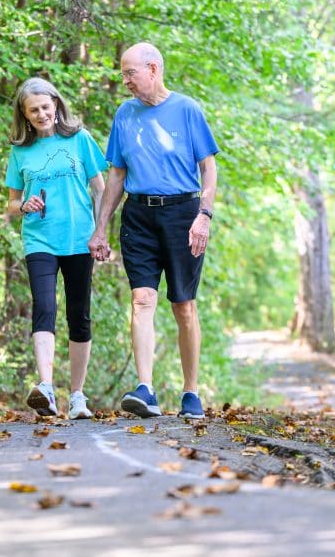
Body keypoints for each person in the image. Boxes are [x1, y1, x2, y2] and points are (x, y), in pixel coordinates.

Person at [88, 42, 219, 419]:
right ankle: (146, 389)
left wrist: (204, 215)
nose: (125, 80)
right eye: (124, 73)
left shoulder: (187, 109)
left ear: (153, 69)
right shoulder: (124, 115)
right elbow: (116, 174)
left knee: (183, 306)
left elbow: (208, 167)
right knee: (142, 299)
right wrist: (101, 229)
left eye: (130, 72)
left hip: (183, 214)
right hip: (139, 216)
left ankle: (190, 392)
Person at [6, 77, 108, 420]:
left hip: (80, 237)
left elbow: (100, 189)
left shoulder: (80, 139)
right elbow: (11, 203)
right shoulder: (19, 151)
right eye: (33, 109)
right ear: (24, 113)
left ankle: (78, 395)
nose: (41, 114)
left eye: (46, 107)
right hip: (40, 239)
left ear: (56, 105)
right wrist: (23, 206)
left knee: (79, 315)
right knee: (44, 307)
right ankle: (47, 388)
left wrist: (101, 234)